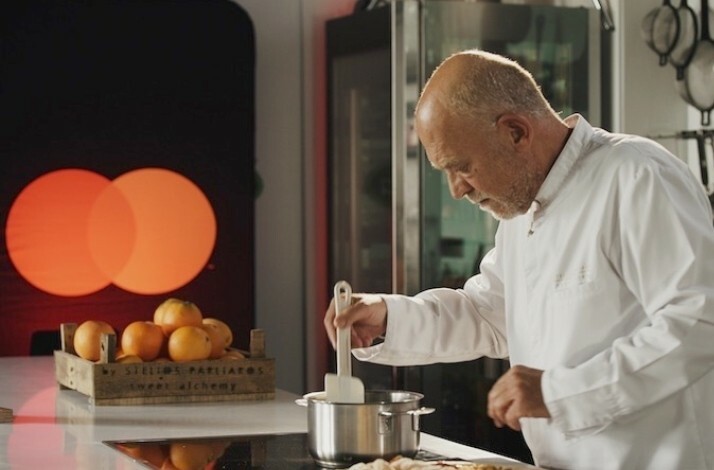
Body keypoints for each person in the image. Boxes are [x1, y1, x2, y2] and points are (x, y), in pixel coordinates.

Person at [323, 49, 714, 470]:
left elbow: (699, 322)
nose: (457, 190)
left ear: (515, 132)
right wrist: (388, 318)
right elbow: (489, 314)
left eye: (463, 167)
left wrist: (560, 392)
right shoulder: (522, 209)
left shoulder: (637, 176)